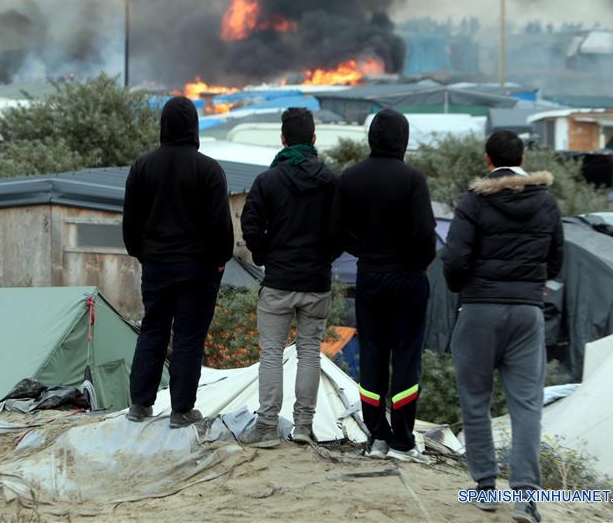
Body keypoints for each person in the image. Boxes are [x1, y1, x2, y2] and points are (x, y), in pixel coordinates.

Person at [443, 130, 563, 523]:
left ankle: (485, 488)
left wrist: (466, 289)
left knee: (476, 400)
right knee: (527, 404)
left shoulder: (474, 201)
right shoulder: (546, 201)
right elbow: (558, 259)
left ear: (487, 160)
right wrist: (535, 287)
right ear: (524, 156)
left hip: (480, 309)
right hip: (527, 312)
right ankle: (526, 497)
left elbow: (455, 258)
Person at [122, 96, 234, 428]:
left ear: (163, 126)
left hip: (156, 265)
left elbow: (131, 222)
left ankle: (140, 405)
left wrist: (141, 252)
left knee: (153, 330)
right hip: (197, 270)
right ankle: (181, 410)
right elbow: (221, 225)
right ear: (194, 127)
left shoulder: (142, 167)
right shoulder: (208, 169)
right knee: (188, 337)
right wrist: (219, 260)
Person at [333, 108, 436, 463]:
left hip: (370, 275)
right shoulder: (412, 179)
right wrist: (416, 263)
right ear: (403, 140)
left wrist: (367, 253)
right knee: (406, 357)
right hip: (408, 278)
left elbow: (340, 231)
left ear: (371, 137)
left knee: (373, 354)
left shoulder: (351, 177)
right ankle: (404, 439)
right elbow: (425, 236)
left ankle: (377, 434)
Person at [240, 107, 339, 446]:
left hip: (279, 281)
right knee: (309, 352)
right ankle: (303, 427)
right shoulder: (330, 181)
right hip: (316, 282)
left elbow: (250, 225)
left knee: (271, 354)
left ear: (282, 140)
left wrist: (265, 255)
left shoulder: (268, 180)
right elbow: (341, 230)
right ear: (313, 139)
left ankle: (266, 427)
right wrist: (325, 257)